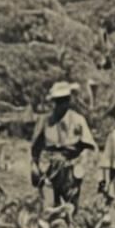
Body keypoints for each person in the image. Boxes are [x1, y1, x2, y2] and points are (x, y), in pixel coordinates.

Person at [31, 81, 97, 210]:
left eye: (65, 100)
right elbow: (35, 148)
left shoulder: (78, 120)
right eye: (58, 101)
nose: (62, 105)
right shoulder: (45, 121)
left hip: (70, 169)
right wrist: (35, 165)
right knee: (48, 208)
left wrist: (81, 166)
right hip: (48, 168)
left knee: (69, 208)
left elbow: (89, 147)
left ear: (69, 100)